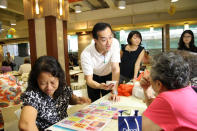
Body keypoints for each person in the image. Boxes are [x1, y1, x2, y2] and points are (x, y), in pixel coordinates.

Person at [19, 56, 91, 131]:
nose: (49, 87)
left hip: (65, 126)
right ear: (36, 80)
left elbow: (69, 98)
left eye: (53, 82)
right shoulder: (33, 95)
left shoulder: (63, 88)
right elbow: (25, 125)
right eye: (43, 83)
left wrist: (77, 100)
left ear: (59, 78)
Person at [140, 52, 197, 130]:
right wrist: (146, 90)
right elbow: (159, 113)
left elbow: (139, 127)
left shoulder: (166, 99)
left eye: (150, 74)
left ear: (158, 84)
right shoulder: (191, 90)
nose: (149, 77)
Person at [81, 22, 120, 102]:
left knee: (111, 100)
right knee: (94, 103)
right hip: (94, 78)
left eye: (110, 37)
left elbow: (115, 68)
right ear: (95, 40)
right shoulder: (86, 54)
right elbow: (89, 79)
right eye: (104, 40)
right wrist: (99, 86)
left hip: (109, 76)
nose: (108, 42)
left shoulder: (115, 43)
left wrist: (114, 91)